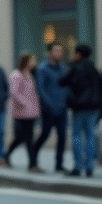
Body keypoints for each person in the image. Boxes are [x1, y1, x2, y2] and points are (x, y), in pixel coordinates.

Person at [59, 45, 102, 177]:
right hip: (93, 106)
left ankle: (78, 166)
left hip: (79, 106)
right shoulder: (93, 68)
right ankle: (89, 166)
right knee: (90, 135)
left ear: (78, 54)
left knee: (77, 135)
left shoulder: (75, 67)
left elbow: (62, 81)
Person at [33, 42, 69, 172]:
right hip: (49, 109)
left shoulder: (64, 68)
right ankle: (33, 159)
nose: (59, 53)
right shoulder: (42, 68)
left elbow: (67, 86)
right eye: (56, 51)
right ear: (49, 53)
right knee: (45, 134)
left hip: (62, 108)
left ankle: (59, 164)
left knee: (62, 136)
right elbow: (41, 89)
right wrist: (51, 104)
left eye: (60, 51)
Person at [5, 52, 42, 172]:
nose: (34, 63)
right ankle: (32, 164)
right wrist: (25, 104)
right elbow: (14, 93)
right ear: (26, 61)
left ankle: (6, 156)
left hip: (30, 112)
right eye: (32, 60)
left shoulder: (30, 75)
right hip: (22, 112)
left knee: (22, 137)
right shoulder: (16, 75)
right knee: (28, 138)